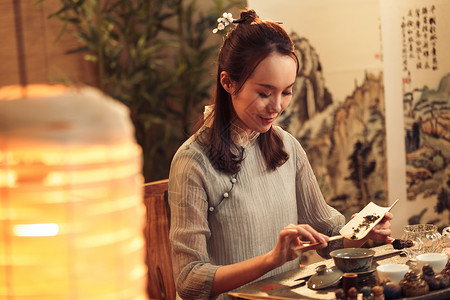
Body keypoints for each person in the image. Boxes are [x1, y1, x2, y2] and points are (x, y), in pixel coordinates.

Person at [168, 9, 393, 299]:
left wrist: (362, 232)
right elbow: (189, 281)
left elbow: (330, 239)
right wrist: (272, 259)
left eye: (286, 92)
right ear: (228, 83)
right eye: (265, 93)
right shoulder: (192, 162)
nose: (277, 106)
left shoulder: (287, 147)